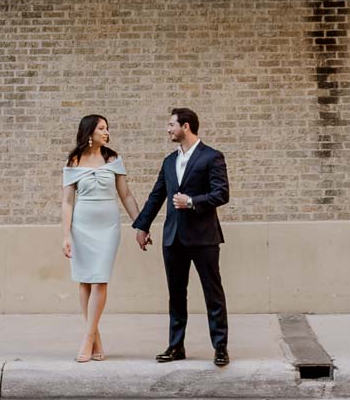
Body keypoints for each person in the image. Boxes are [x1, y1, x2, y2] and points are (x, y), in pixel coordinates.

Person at [131, 107, 230, 366]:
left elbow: (222, 194)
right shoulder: (168, 162)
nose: (168, 129)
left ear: (185, 126)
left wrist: (192, 201)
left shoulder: (212, 157)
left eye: (171, 124)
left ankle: (220, 348)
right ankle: (176, 347)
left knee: (213, 294)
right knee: (176, 295)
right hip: (173, 238)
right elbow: (156, 196)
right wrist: (142, 227)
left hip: (204, 238)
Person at [61, 114, 141, 363]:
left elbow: (126, 195)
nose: (106, 132)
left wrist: (141, 224)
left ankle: (86, 338)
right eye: (102, 128)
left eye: (107, 128)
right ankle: (95, 339)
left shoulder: (112, 158)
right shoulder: (73, 161)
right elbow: (66, 202)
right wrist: (65, 235)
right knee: (85, 282)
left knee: (100, 280)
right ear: (89, 132)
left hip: (108, 228)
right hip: (82, 227)